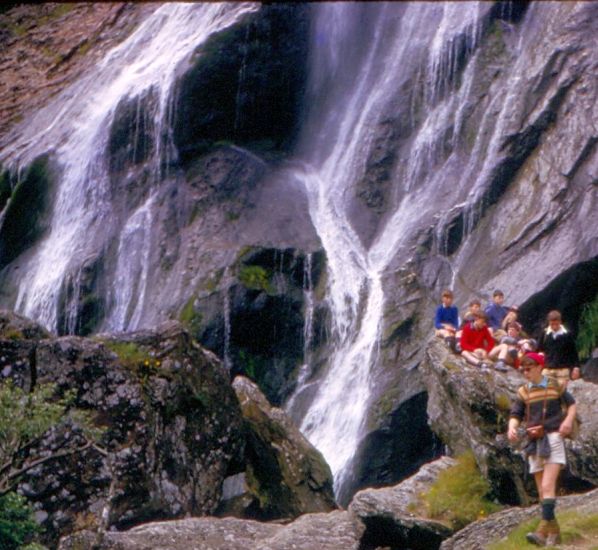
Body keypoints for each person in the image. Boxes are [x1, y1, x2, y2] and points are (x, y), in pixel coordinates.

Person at [507, 353, 577, 546]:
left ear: (539, 367)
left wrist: (568, 422)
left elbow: (571, 404)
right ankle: (554, 534)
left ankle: (540, 532)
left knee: (547, 486)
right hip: (533, 441)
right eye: (523, 369)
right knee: (541, 491)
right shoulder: (523, 391)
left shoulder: (554, 385)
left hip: (553, 437)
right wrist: (511, 427)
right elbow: (516, 413)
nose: (525, 372)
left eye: (529, 368)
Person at [538, 310, 581, 386]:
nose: (554, 326)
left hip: (563, 370)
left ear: (560, 322)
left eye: (556, 324)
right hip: (548, 369)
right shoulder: (544, 334)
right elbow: (539, 349)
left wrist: (576, 368)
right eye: (552, 324)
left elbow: (573, 352)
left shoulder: (567, 335)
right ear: (549, 322)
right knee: (544, 392)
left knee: (561, 393)